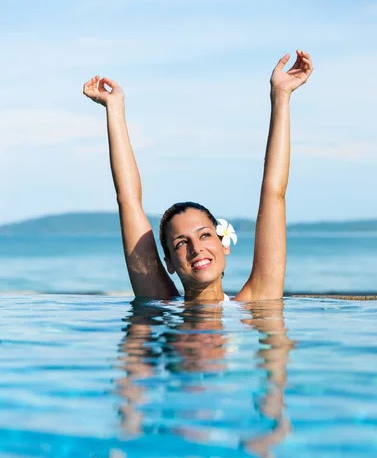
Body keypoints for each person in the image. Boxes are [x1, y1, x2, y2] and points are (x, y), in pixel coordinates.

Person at [83, 51, 313, 301]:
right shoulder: (160, 304)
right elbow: (128, 200)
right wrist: (114, 108)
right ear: (168, 263)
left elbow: (274, 193)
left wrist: (281, 96)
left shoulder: (255, 304)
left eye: (205, 234)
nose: (196, 248)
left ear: (224, 244)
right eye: (181, 243)